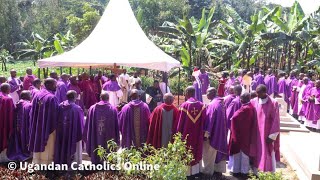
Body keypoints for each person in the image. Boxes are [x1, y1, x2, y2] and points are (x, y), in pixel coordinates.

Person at [177, 86, 206, 177]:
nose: (184, 94)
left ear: (188, 93)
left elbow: (180, 122)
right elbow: (204, 121)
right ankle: (196, 172)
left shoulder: (184, 106)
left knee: (187, 150)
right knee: (196, 150)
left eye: (185, 93)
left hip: (186, 134)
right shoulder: (202, 105)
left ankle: (187, 173)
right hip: (198, 134)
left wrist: (178, 133)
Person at [29, 78, 59, 165]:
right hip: (48, 126)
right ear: (48, 85)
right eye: (54, 84)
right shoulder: (52, 97)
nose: (56, 86)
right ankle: (47, 164)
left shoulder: (37, 95)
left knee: (38, 139)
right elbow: (55, 114)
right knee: (49, 144)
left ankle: (37, 161)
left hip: (37, 125)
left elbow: (32, 111)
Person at [83, 92, 119, 164]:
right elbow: (116, 126)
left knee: (96, 143)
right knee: (108, 146)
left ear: (100, 98)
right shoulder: (113, 109)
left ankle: (96, 162)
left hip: (95, 136)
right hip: (108, 136)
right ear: (108, 99)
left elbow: (88, 125)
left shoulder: (92, 109)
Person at [250, 84, 280, 172]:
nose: (257, 95)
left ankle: (266, 172)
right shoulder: (253, 101)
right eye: (256, 92)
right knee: (255, 151)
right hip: (255, 133)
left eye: (259, 93)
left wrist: (272, 136)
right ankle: (255, 171)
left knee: (266, 152)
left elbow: (276, 120)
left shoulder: (273, 103)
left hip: (267, 134)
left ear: (264, 93)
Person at [228, 93, 256, 176]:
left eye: (241, 99)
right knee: (243, 154)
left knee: (239, 153)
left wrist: (232, 118)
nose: (240, 100)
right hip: (246, 134)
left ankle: (237, 171)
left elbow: (234, 117)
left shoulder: (245, 108)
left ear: (243, 99)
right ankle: (243, 171)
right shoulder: (250, 107)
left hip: (240, 135)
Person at [201, 87, 227, 177]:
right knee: (217, 152)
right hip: (220, 133)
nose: (206, 94)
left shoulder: (212, 105)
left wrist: (206, 134)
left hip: (213, 135)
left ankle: (207, 173)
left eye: (207, 92)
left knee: (208, 153)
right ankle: (218, 170)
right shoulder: (220, 103)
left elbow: (209, 121)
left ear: (211, 93)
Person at [54, 90, 84, 167]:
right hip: (73, 133)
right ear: (74, 97)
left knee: (62, 144)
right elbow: (81, 124)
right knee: (75, 145)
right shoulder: (77, 109)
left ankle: (62, 160)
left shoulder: (60, 106)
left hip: (62, 132)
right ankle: (74, 164)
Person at [7, 91, 32, 161]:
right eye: (30, 94)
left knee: (18, 138)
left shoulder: (18, 103)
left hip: (17, 125)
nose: (31, 96)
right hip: (25, 125)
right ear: (25, 96)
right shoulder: (29, 105)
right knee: (25, 138)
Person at [0, 83, 14, 162]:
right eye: (9, 88)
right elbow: (12, 111)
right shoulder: (8, 99)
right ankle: (3, 157)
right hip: (4, 123)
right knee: (4, 136)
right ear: (6, 89)